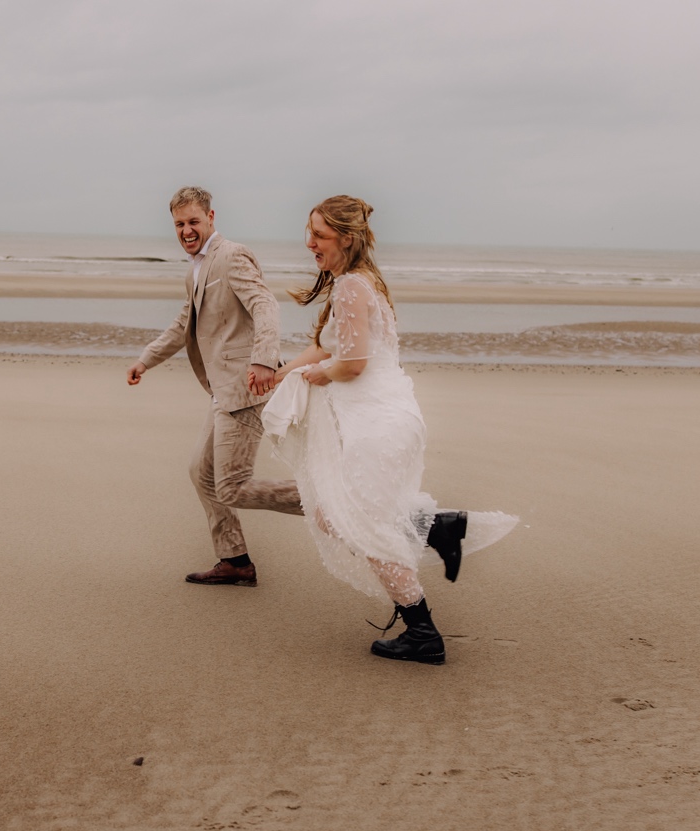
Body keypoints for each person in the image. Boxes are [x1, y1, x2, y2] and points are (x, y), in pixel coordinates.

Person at [261, 196, 517, 664]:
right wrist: (279, 372)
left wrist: (317, 377)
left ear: (347, 237)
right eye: (309, 232)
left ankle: (422, 630)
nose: (309, 243)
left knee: (362, 522)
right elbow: (324, 349)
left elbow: (351, 364)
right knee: (333, 515)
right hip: (382, 417)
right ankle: (436, 528)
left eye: (319, 234)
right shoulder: (359, 282)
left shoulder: (352, 288)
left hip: (376, 424)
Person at [127, 186, 304, 585]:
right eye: (179, 224)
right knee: (200, 473)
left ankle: (327, 500)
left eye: (193, 221)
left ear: (211, 217)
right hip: (222, 389)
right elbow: (182, 324)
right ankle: (235, 559)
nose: (186, 231)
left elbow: (265, 305)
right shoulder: (195, 269)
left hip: (247, 388)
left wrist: (262, 359)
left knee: (231, 486)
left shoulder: (231, 256)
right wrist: (146, 359)